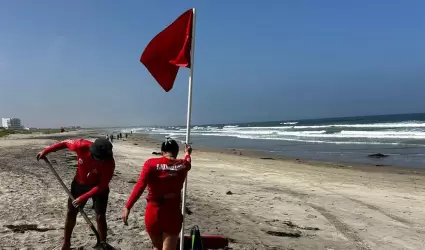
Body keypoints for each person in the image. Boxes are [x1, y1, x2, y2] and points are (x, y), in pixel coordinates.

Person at [36, 138, 115, 250]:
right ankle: (66, 243)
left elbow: (102, 186)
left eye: (103, 159)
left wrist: (84, 197)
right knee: (71, 212)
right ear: (92, 152)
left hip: (98, 188)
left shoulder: (109, 162)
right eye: (98, 158)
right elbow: (64, 143)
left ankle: (102, 243)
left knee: (100, 216)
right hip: (79, 184)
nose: (101, 161)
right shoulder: (81, 145)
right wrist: (46, 151)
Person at [122, 138, 192, 250]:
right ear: (176, 151)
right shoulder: (182, 165)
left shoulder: (150, 164)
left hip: (153, 212)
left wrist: (128, 206)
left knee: (156, 247)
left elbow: (140, 185)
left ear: (162, 152)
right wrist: (187, 153)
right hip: (171, 214)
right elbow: (188, 161)